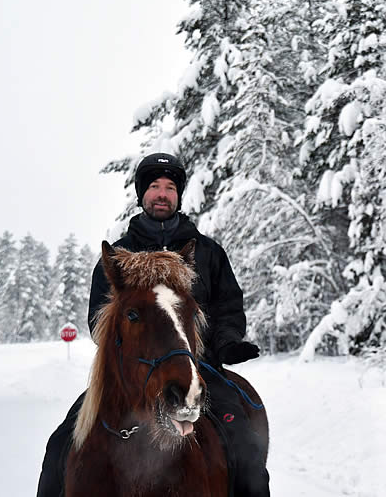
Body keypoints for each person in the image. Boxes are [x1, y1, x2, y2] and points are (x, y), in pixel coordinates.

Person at [36, 152, 270, 497]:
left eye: (170, 188)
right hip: (130, 374)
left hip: (198, 368)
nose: (162, 194)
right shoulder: (119, 257)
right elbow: (99, 319)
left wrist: (227, 342)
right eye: (155, 187)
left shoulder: (207, 253)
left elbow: (228, 306)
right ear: (142, 194)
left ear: (178, 196)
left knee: (246, 449)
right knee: (59, 445)